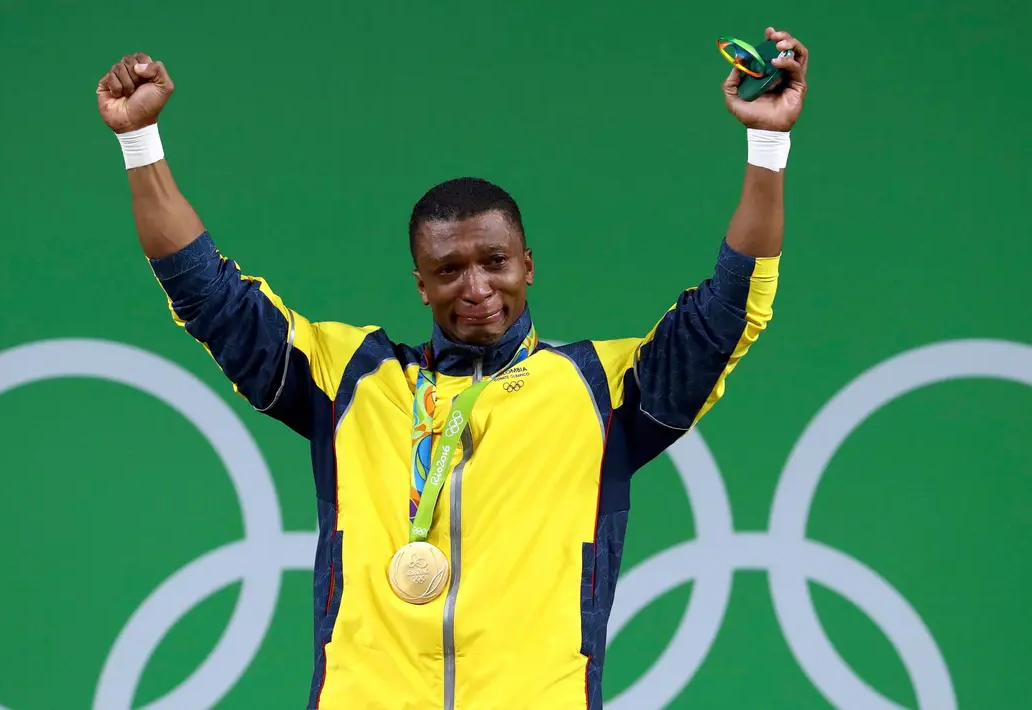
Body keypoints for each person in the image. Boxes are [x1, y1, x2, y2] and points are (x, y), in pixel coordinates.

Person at [96, 25, 807, 710]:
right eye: (449, 269)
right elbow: (207, 294)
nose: (475, 288)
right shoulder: (351, 379)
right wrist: (138, 140)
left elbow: (730, 306)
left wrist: (767, 144)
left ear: (526, 266)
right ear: (420, 284)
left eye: (494, 262)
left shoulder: (599, 391)